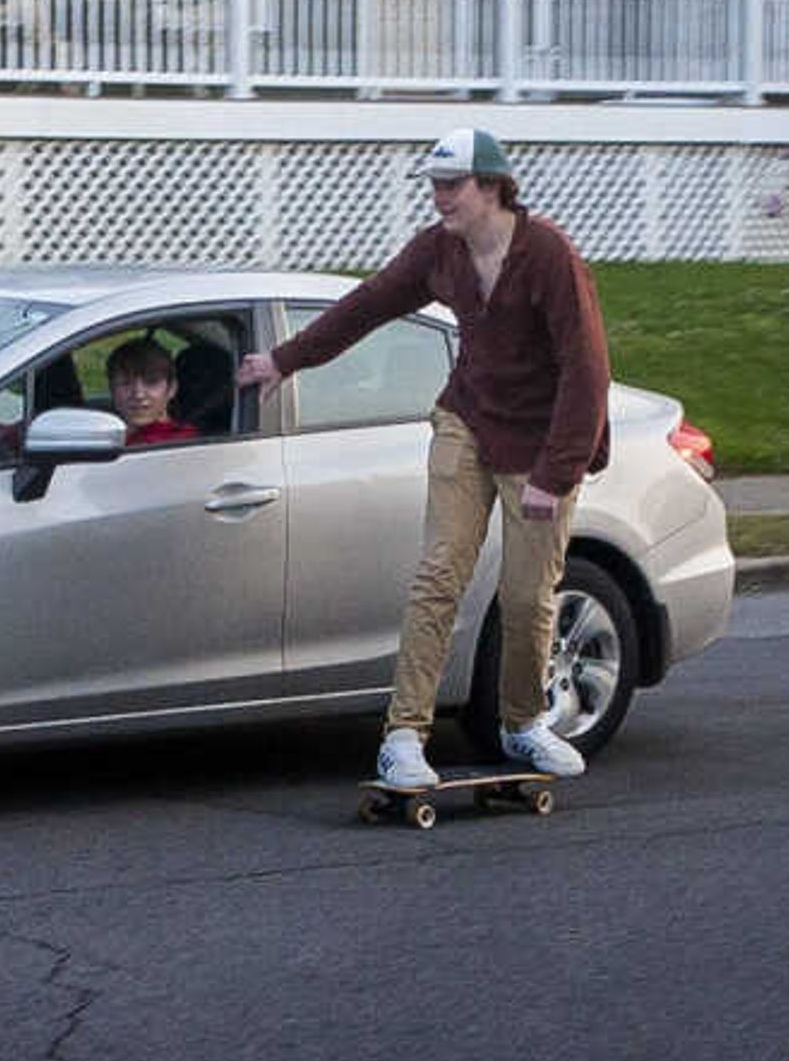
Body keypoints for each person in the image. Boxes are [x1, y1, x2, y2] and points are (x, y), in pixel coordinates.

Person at [237, 127, 608, 790]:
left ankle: (523, 723)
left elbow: (586, 370)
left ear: (492, 186)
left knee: (527, 598)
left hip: (541, 442)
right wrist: (283, 359)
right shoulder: (441, 251)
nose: (439, 199)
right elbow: (369, 303)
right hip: (466, 422)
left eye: (451, 186)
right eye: (435, 186)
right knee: (439, 573)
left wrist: (556, 474)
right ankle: (404, 735)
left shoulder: (547, 253)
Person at [100, 336, 200, 447]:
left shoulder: (183, 442)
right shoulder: (103, 438)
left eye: (151, 382)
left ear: (172, 388)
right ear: (112, 390)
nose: (138, 394)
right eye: (125, 383)